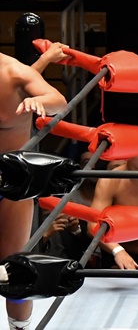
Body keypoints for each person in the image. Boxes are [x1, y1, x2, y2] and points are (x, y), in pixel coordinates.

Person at [0, 51, 67, 330]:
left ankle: (20, 327)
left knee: (15, 269)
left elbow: (59, 101)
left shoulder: (14, 72)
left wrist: (40, 101)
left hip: (11, 184)